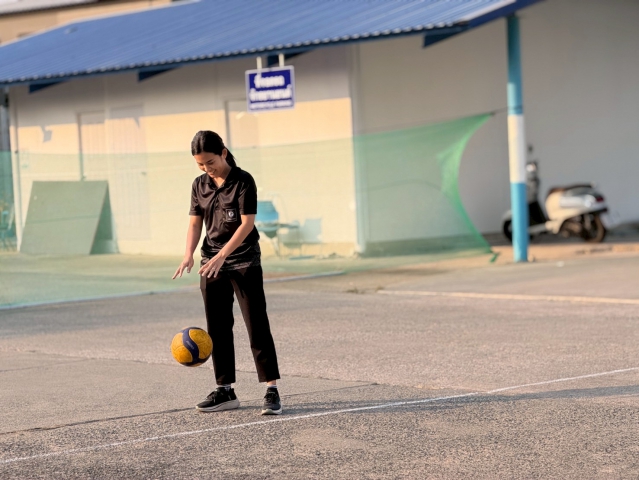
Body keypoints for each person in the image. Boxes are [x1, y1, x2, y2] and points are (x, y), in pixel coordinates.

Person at [173, 130, 282, 415]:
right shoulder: (199, 185)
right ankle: (225, 390)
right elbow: (195, 223)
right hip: (211, 263)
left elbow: (247, 224)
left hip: (244, 261)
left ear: (223, 153)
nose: (206, 168)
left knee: (256, 324)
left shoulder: (243, 181)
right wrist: (188, 254)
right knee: (218, 327)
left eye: (210, 162)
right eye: (200, 164)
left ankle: (271, 389)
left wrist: (223, 255)